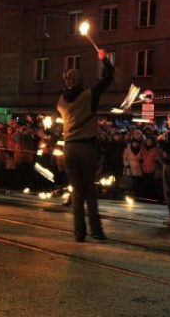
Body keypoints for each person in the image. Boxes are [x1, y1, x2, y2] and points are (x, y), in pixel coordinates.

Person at [55, 48, 112, 243]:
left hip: (69, 147)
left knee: (76, 191)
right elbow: (108, 78)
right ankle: (96, 230)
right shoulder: (89, 95)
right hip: (86, 147)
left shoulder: (61, 101)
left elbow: (65, 95)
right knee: (89, 189)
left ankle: (79, 233)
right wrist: (104, 60)